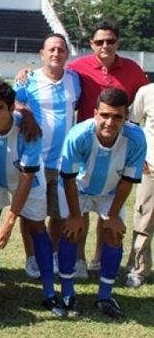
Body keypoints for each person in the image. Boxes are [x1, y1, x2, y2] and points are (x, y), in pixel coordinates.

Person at [0, 81, 62, 315]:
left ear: (11, 109)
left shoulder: (29, 131)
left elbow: (26, 179)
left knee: (37, 229)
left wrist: (10, 222)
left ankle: (49, 293)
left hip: (27, 181)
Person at [66, 21, 148, 277]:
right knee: (82, 203)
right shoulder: (77, 66)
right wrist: (26, 72)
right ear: (91, 44)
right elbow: (55, 74)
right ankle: (77, 259)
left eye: (110, 41)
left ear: (118, 43)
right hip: (86, 144)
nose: (105, 46)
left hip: (119, 145)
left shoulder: (133, 69)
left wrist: (139, 148)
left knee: (107, 206)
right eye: (99, 41)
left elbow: (145, 98)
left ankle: (99, 259)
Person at [57, 88, 146, 319]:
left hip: (110, 191)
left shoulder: (136, 138)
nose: (110, 122)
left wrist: (113, 215)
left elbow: (128, 179)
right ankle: (67, 293)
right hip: (76, 188)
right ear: (95, 113)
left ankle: (105, 296)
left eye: (117, 116)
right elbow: (67, 177)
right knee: (71, 232)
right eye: (105, 115)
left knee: (114, 234)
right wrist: (75, 216)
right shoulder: (79, 135)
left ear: (126, 116)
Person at [14, 34, 81, 279]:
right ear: (42, 54)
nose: (56, 53)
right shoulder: (27, 80)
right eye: (51, 49)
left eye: (60, 50)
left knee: (59, 213)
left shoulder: (74, 80)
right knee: (32, 214)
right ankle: (31, 257)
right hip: (35, 160)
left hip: (64, 161)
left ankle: (51, 254)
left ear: (66, 54)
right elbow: (13, 106)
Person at [124, 83, 154, 289]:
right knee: (144, 219)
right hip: (151, 167)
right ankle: (138, 268)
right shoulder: (146, 92)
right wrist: (138, 156)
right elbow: (132, 125)